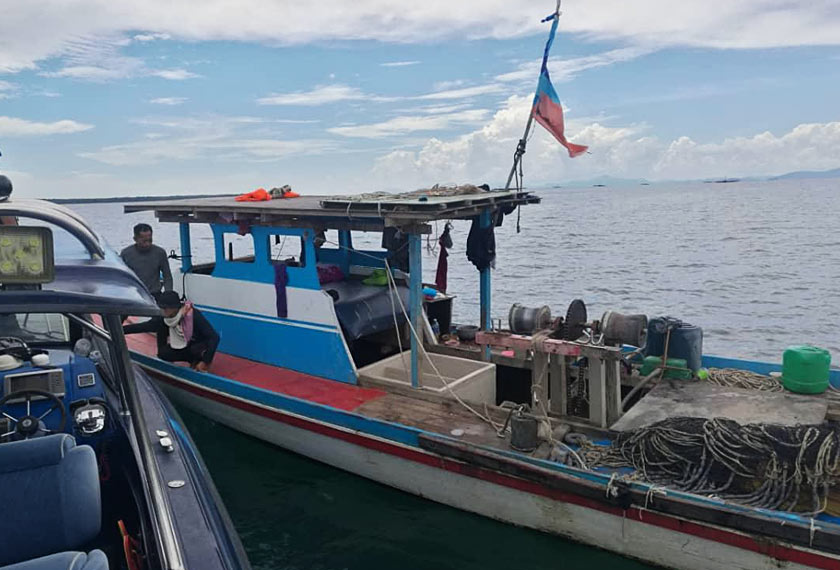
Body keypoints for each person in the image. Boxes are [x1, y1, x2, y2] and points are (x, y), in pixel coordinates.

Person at [123, 291, 219, 372]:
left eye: (165, 308)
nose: (163, 310)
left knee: (196, 349)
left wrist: (205, 361)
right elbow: (144, 327)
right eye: (162, 308)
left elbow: (214, 337)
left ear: (175, 307)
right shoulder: (165, 318)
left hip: (197, 344)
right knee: (163, 351)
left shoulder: (193, 315)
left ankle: (197, 360)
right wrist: (120, 331)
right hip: (182, 345)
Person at [120, 223, 173, 298]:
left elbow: (167, 276)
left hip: (155, 294)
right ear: (135, 239)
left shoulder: (160, 253)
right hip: (134, 294)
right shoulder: (126, 254)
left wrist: (168, 293)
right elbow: (122, 276)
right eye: (144, 240)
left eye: (149, 239)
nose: (147, 243)